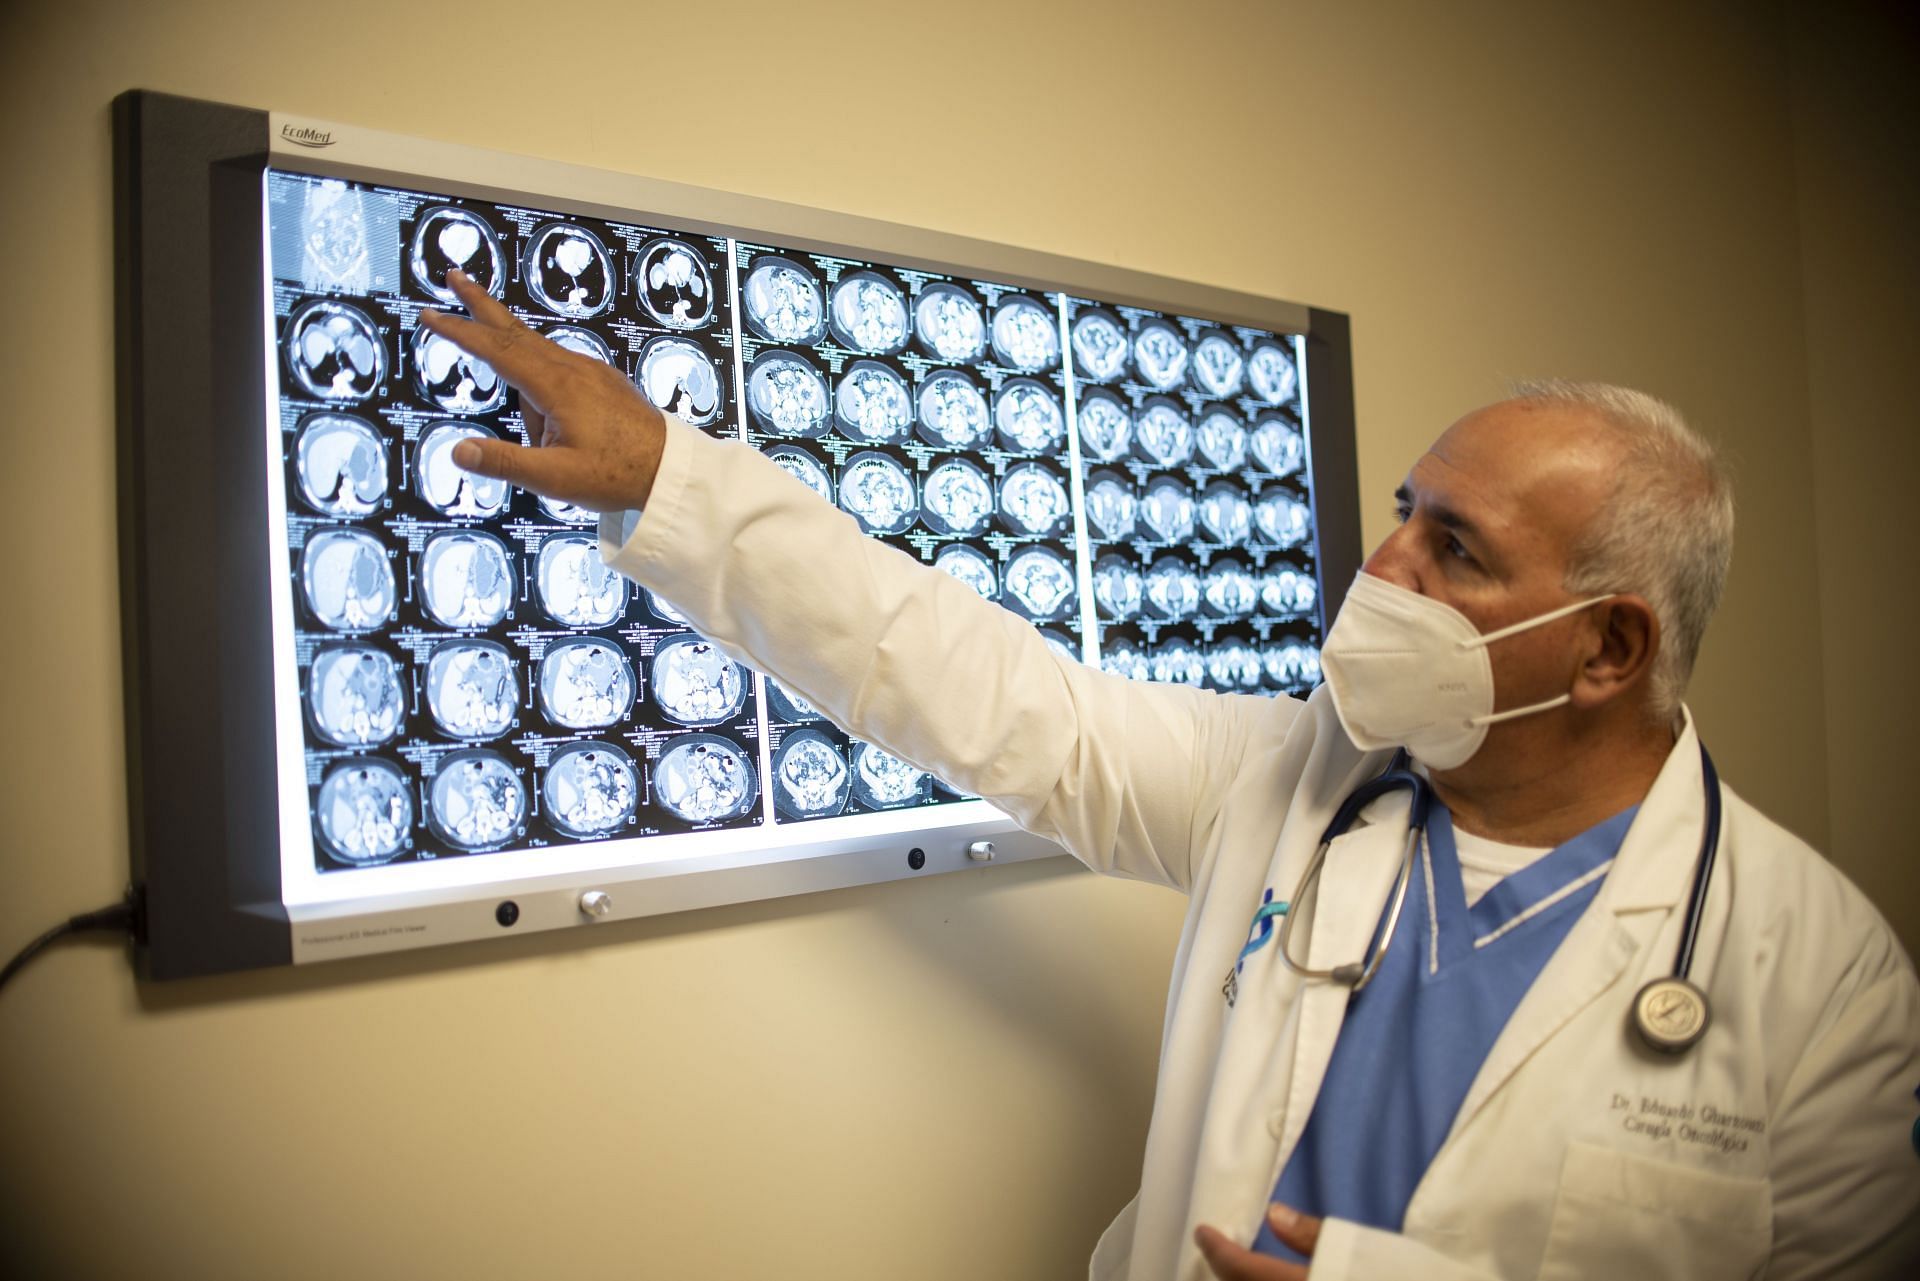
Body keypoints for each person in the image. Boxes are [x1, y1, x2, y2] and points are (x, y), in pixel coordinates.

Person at [420, 272, 1920, 1280]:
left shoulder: (1823, 976)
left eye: (1452, 548)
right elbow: (969, 678)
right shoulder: (1290, 776)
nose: (1378, 565)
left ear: (1606, 649)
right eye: (1404, 511)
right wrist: (674, 481)